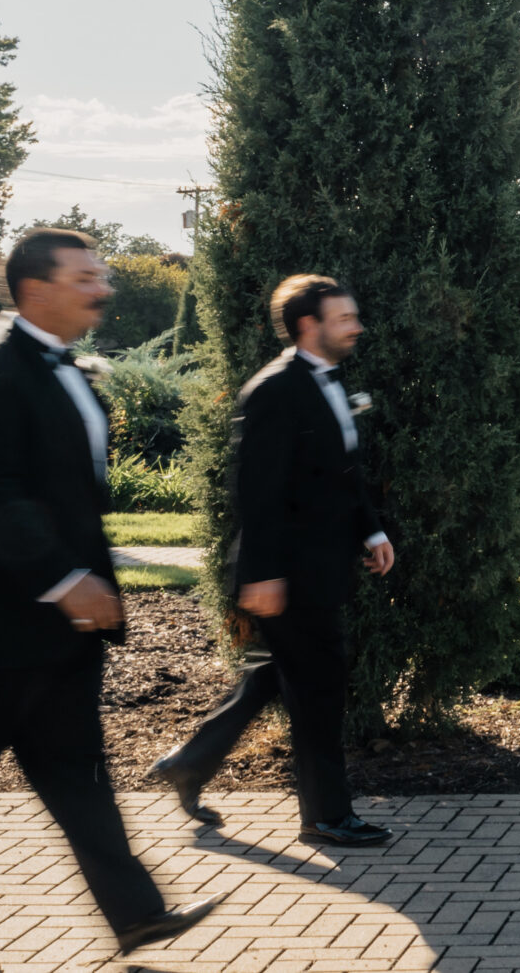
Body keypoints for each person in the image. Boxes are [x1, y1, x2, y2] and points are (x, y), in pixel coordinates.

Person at [0, 229, 219, 973]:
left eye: (101, 274)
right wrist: (66, 580)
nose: (103, 289)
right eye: (86, 277)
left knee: (76, 773)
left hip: (57, 634)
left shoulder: (64, 367)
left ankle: (136, 912)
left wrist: (80, 589)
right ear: (36, 288)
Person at [147, 276, 396, 847]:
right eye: (344, 318)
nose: (357, 327)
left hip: (320, 564)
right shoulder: (274, 389)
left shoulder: (328, 381)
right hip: (288, 570)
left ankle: (191, 761)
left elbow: (343, 471)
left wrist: (372, 530)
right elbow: (257, 491)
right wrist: (262, 574)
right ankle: (326, 816)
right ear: (309, 325)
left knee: (280, 674)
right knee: (318, 690)